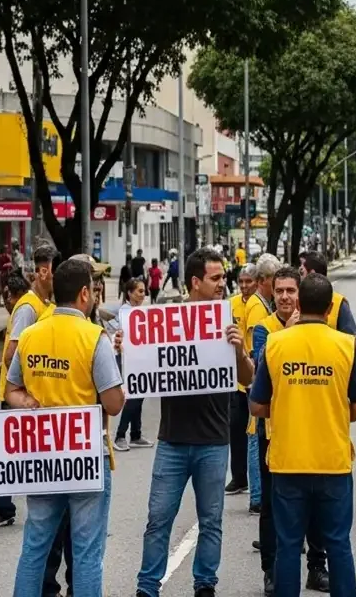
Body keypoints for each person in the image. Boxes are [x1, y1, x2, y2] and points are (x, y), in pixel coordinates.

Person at [135, 247, 253, 597]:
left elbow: (248, 378)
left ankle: (205, 585)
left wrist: (239, 351)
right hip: (172, 440)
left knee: (211, 522)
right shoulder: (167, 319)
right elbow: (143, 366)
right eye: (215, 278)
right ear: (194, 282)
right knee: (158, 521)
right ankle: (147, 587)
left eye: (223, 278)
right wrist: (130, 346)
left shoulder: (227, 321)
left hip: (214, 441)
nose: (223, 284)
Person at [5, 258, 124, 597]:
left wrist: (27, 402)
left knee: (35, 546)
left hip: (43, 455)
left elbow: (11, 388)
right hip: (85, 457)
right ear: (85, 293)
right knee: (86, 552)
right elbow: (113, 404)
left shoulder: (30, 335)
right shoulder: (93, 337)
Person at [251, 272, 356, 597]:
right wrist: (330, 411)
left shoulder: (276, 344)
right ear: (331, 307)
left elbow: (257, 406)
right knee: (338, 544)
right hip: (333, 462)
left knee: (288, 545)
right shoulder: (345, 346)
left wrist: (290, 405)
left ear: (299, 304)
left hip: (288, 463)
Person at [250, 266, 329, 593]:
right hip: (274, 430)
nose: (284, 297)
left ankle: (316, 566)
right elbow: (261, 375)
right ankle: (271, 570)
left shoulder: (318, 326)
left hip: (313, 426)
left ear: (300, 295)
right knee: (271, 504)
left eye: (290, 291)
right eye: (279, 291)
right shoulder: (263, 329)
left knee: (316, 503)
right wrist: (289, 336)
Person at [0, 242, 58, 530]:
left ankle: (27, 503)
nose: (55, 277)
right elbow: (14, 352)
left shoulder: (44, 305)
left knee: (28, 451)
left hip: (31, 394)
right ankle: (4, 508)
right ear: (42, 271)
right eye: (53, 271)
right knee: (8, 452)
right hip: (17, 394)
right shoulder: (28, 307)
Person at [228, 264, 258, 509]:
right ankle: (239, 477)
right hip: (235, 380)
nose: (245, 286)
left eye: (249, 281)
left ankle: (255, 486)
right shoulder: (232, 304)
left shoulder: (258, 306)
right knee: (235, 430)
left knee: (253, 433)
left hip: (253, 375)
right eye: (242, 281)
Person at [114, 278, 153, 451]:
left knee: (140, 393)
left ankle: (135, 435)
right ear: (129, 293)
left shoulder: (137, 312)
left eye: (144, 291)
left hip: (139, 359)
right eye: (139, 291)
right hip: (127, 359)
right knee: (134, 397)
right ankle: (120, 435)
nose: (143, 294)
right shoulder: (126, 313)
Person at [297, 252, 356, 349]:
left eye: (301, 272)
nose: (299, 278)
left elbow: (354, 341)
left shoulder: (338, 303)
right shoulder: (292, 299)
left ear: (312, 274)